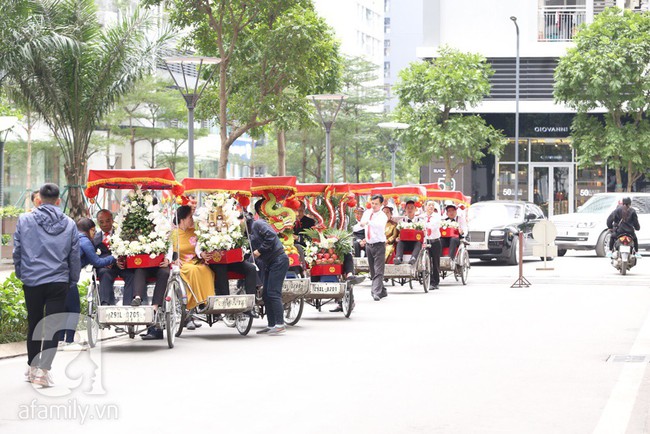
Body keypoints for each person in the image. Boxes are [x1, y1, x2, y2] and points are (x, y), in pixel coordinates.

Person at [14, 183, 80, 387]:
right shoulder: (69, 224)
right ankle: (43, 372)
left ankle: (32, 368)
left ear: (39, 200)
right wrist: (73, 279)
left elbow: (17, 250)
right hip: (58, 280)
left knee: (34, 322)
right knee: (52, 326)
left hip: (32, 280)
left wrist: (21, 273)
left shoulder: (24, 220)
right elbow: (74, 255)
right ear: (58, 201)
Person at [58, 218, 117, 349]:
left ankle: (60, 340)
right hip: (67, 279)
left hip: (56, 277)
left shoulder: (69, 238)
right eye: (94, 231)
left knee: (63, 309)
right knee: (73, 309)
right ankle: (68, 341)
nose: (94, 234)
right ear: (90, 230)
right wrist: (115, 256)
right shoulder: (84, 241)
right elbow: (98, 262)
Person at [251, 199, 289, 335]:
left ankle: (280, 324)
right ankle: (271, 324)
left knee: (273, 292)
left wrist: (259, 251)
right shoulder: (251, 229)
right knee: (266, 294)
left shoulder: (258, 223)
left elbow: (271, 236)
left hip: (278, 260)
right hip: (270, 262)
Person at [93, 209, 135, 306]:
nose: (105, 224)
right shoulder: (95, 239)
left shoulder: (122, 234)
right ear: (98, 223)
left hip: (122, 265)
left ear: (112, 220)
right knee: (104, 273)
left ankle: (128, 305)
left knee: (132, 275)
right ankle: (106, 304)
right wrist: (105, 262)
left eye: (107, 221)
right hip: (106, 267)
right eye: (101, 222)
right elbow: (94, 256)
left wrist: (120, 260)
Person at [359, 194, 388, 301]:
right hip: (369, 245)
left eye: (376, 204)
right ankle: (382, 290)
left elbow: (379, 225)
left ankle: (375, 292)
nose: (374, 206)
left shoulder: (382, 216)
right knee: (373, 271)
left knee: (378, 270)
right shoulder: (367, 213)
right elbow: (361, 225)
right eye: (372, 203)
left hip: (379, 245)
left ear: (381, 204)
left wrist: (368, 222)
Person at [394, 200, 423, 265]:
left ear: (415, 209)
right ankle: (398, 258)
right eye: (408, 208)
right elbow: (398, 234)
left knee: (418, 243)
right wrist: (397, 238)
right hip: (405, 243)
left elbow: (423, 233)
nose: (410, 210)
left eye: (412, 208)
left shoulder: (420, 221)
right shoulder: (401, 221)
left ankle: (413, 258)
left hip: (415, 243)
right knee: (400, 242)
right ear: (405, 209)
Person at [421, 200, 442, 290]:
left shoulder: (437, 216)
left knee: (435, 262)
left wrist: (425, 225)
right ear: (425, 207)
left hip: (435, 241)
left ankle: (435, 282)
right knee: (426, 261)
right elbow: (420, 226)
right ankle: (427, 280)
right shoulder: (421, 217)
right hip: (426, 241)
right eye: (429, 205)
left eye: (433, 205)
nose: (431, 207)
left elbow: (433, 226)